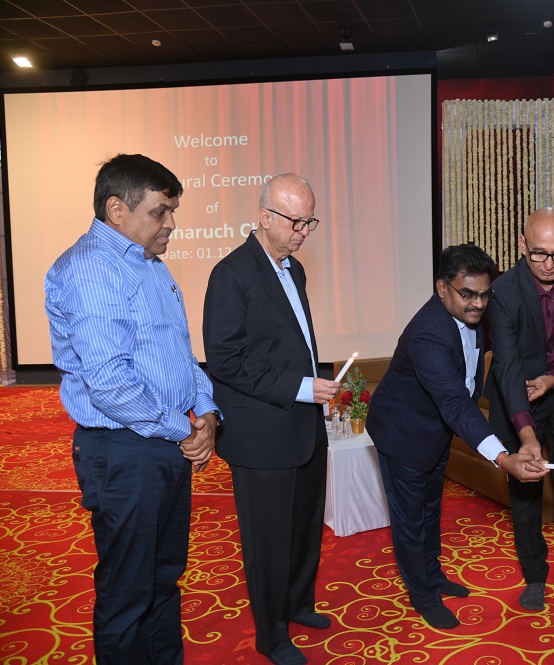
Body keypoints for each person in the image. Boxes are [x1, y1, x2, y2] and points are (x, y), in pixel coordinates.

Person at [44, 153, 219, 664]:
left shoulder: (148, 265)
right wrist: (182, 430)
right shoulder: (90, 269)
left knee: (163, 578)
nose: (171, 224)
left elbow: (179, 353)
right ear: (117, 209)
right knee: (128, 591)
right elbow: (110, 384)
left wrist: (206, 412)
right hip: (123, 449)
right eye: (160, 212)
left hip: (163, 440)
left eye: (173, 211)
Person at [367, 243, 549, 630]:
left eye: (484, 294)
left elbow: (466, 387)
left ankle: (432, 576)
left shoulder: (470, 315)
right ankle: (423, 596)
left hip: (436, 431)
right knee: (410, 520)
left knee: (431, 509)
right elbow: (454, 402)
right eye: (468, 294)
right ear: (442, 288)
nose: (478, 304)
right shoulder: (427, 334)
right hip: (403, 434)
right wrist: (503, 457)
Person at [203, 174, 336, 665]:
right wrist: (302, 388)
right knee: (269, 540)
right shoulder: (231, 274)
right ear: (264, 216)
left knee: (304, 526)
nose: (303, 231)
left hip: (303, 424)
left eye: (309, 221)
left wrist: (314, 387)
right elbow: (225, 360)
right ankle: (271, 635)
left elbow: (291, 344)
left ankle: (298, 604)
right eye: (296, 221)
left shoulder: (293, 269)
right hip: (261, 433)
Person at [485, 207, 554, 611]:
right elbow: (507, 365)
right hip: (518, 396)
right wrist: (526, 433)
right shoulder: (503, 291)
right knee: (525, 489)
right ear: (522, 245)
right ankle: (534, 575)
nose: (549, 264)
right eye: (538, 253)